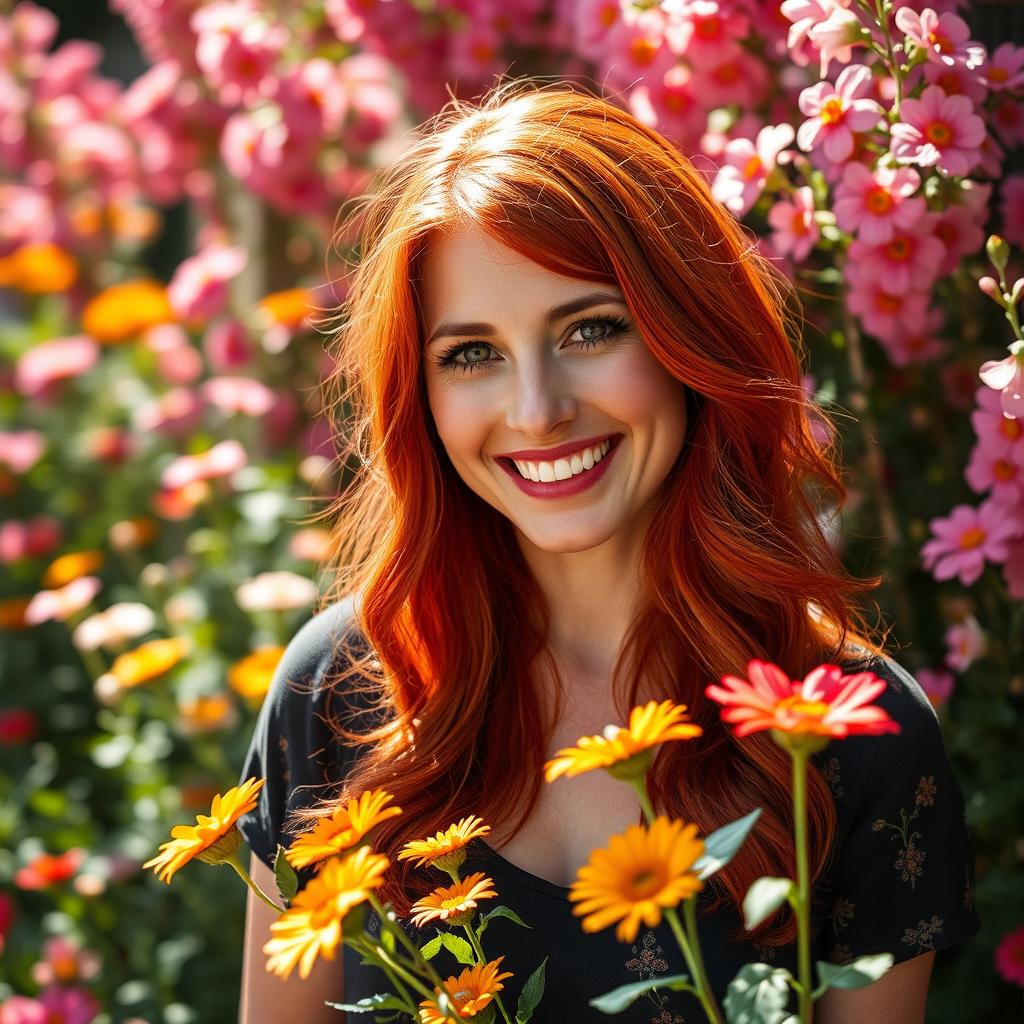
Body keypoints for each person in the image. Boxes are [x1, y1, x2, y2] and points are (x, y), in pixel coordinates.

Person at [237, 79, 980, 1024]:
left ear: (689, 338)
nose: (537, 410)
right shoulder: (336, 693)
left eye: (590, 330)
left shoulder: (848, 735)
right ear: (417, 396)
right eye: (472, 353)